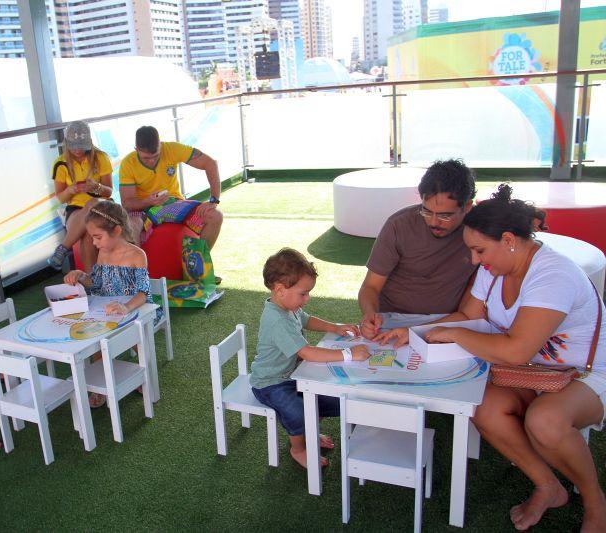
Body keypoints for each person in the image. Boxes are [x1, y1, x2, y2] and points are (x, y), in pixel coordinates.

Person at [378, 185, 606, 532]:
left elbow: (516, 349)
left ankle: (595, 502)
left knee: (544, 420)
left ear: (509, 239)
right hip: (531, 373)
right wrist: (415, 333)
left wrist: (455, 335)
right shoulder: (494, 267)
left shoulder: (553, 274)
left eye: (479, 250)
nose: (474, 260)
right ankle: (549, 486)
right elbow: (466, 314)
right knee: (481, 406)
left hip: (583, 374)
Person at [250, 248, 370, 468]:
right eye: (303, 293)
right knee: (298, 412)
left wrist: (335, 327)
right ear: (280, 290)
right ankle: (298, 449)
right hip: (271, 383)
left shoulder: (288, 307)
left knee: (324, 397)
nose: (307, 299)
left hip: (292, 375)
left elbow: (306, 319)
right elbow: (306, 352)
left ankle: (309, 432)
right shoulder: (276, 319)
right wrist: (348, 353)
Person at [358, 159, 478, 339]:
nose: (434, 222)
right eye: (427, 211)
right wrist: (370, 314)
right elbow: (370, 286)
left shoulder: (480, 230)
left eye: (445, 216)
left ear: (467, 206)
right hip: (393, 319)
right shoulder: (399, 225)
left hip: (447, 321)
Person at [63, 201, 159, 408]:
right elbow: (96, 282)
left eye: (98, 237)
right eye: (92, 238)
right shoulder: (103, 253)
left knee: (136, 339)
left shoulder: (136, 255)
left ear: (116, 230)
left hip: (135, 309)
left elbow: (144, 293)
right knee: (95, 338)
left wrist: (126, 307)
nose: (94, 243)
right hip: (107, 310)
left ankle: (145, 375)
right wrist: (80, 276)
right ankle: (102, 384)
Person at [119, 125, 224, 251]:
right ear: (136, 149)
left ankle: (197, 264)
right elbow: (127, 203)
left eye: (156, 155)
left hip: (173, 203)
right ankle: (139, 269)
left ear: (160, 144)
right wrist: (148, 201)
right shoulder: (128, 163)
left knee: (216, 216)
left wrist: (214, 200)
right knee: (130, 226)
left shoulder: (172, 148)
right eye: (146, 158)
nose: (152, 161)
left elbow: (210, 163)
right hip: (142, 210)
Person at [47, 121, 113, 272]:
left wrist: (96, 187)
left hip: (102, 206)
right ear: (67, 144)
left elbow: (109, 192)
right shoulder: (60, 163)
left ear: (89, 142)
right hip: (75, 209)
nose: (77, 150)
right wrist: (70, 190)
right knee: (89, 234)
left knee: (92, 203)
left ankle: (63, 249)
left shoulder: (101, 158)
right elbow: (61, 199)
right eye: (74, 146)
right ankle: (93, 282)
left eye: (81, 146)